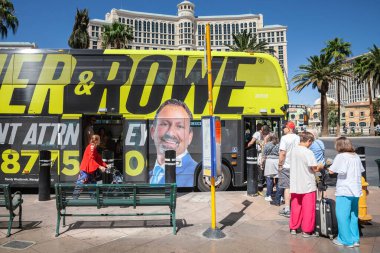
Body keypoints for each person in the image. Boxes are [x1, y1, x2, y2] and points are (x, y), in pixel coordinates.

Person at [149, 99, 197, 187]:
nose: (170, 133)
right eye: (164, 124)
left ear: (190, 137)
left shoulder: (195, 176)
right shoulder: (148, 175)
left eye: (180, 126)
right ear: (152, 131)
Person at [328, 137, 364, 248]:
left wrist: (329, 164)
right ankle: (355, 239)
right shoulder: (356, 156)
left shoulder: (341, 156)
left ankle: (345, 240)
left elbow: (332, 170)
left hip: (345, 190)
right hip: (356, 190)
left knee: (342, 216)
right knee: (353, 215)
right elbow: (361, 170)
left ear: (339, 145)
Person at [289, 131, 323, 237]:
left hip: (295, 183)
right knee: (308, 208)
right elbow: (314, 168)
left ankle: (293, 227)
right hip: (307, 183)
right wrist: (321, 166)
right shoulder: (308, 152)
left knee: (295, 206)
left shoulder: (293, 150)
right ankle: (306, 230)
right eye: (311, 142)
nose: (311, 145)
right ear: (308, 141)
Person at [271, 121, 300, 218]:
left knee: (287, 188)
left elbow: (282, 153)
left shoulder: (284, 138)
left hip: (287, 166)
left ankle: (287, 209)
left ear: (288, 128)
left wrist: (280, 164)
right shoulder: (298, 138)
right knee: (295, 187)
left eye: (284, 127)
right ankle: (296, 207)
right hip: (297, 166)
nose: (283, 129)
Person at [262, 134, 280, 202]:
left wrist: (262, 163)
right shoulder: (280, 145)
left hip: (269, 162)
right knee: (278, 179)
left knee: (269, 179)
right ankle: (279, 195)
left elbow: (264, 155)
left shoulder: (267, 145)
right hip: (277, 161)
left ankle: (268, 195)